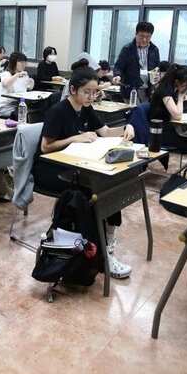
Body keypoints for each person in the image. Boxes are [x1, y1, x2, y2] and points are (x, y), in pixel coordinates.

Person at [34, 67, 136, 279]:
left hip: (76, 166)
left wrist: (127, 128)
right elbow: (45, 147)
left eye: (95, 92)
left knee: (109, 185)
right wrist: (74, 138)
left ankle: (107, 249)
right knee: (95, 192)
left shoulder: (86, 108)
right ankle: (100, 253)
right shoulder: (58, 111)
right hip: (52, 170)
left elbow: (106, 132)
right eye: (87, 92)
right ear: (73, 90)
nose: (92, 96)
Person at [149, 64, 187, 175]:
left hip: (170, 128)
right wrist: (181, 96)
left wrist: (180, 95)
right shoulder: (165, 91)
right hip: (160, 132)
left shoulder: (171, 90)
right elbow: (177, 115)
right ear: (178, 81)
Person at [112, 21, 161, 101]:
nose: (144, 39)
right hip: (131, 89)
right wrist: (117, 75)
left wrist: (157, 77)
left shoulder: (154, 50)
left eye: (148, 37)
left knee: (146, 112)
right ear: (136, 34)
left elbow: (157, 68)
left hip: (148, 90)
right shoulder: (128, 49)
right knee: (135, 112)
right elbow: (118, 66)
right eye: (141, 36)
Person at [0, 52, 34, 118]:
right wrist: (17, 75)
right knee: (24, 114)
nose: (23, 65)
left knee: (34, 112)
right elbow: (6, 84)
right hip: (7, 107)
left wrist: (31, 81)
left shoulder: (24, 75)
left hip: (19, 104)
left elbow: (30, 88)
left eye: (24, 62)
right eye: (21, 62)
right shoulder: (6, 74)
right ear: (14, 63)